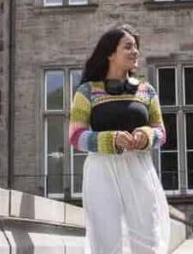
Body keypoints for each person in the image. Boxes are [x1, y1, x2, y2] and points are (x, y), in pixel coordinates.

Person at [69, 24, 171, 254]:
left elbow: (161, 131)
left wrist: (145, 136)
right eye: (128, 46)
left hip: (139, 169)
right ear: (110, 54)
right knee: (106, 241)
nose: (135, 52)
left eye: (136, 47)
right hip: (102, 170)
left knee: (148, 238)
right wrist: (111, 140)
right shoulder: (87, 91)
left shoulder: (147, 90)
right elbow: (76, 136)